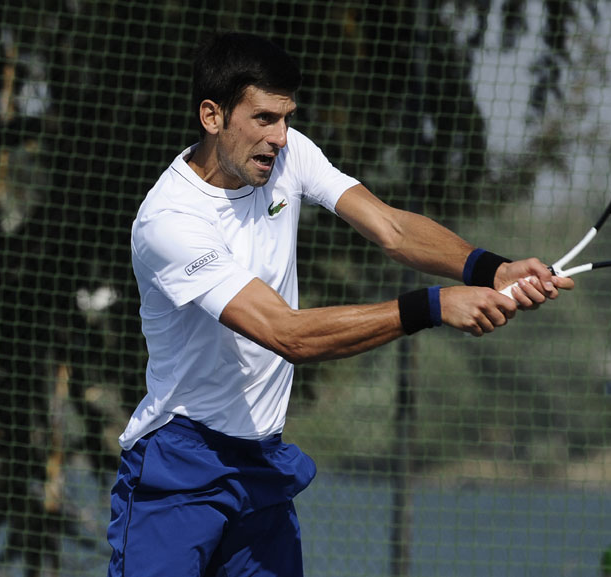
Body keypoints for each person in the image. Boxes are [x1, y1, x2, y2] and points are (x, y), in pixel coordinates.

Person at [106, 31, 574, 577]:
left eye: (286, 118)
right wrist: (433, 306)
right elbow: (288, 334)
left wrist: (491, 268)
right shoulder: (172, 221)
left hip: (261, 464)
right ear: (212, 116)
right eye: (263, 118)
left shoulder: (289, 155)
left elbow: (393, 228)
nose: (280, 136)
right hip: (179, 465)